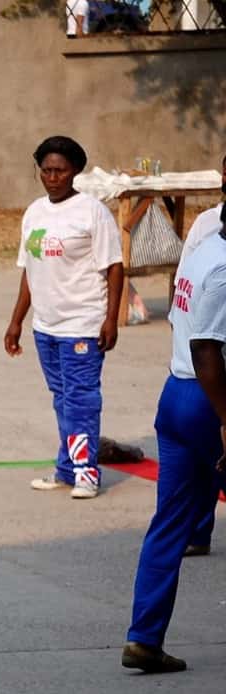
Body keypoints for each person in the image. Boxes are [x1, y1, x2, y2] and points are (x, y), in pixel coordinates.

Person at [123, 226, 226, 672]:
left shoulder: (204, 247)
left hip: (177, 394)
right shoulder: (223, 269)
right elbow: (206, 350)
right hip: (212, 397)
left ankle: (144, 638)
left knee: (168, 524)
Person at [4, 135, 124, 499]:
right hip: (46, 327)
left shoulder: (92, 212)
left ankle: (86, 473)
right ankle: (67, 467)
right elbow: (30, 270)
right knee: (62, 398)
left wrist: (111, 319)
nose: (52, 177)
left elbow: (114, 267)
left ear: (75, 172)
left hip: (82, 325)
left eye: (60, 170)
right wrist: (16, 321)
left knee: (81, 399)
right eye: (46, 170)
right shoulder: (35, 212)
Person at [173, 150, 225, 557]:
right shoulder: (209, 229)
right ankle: (196, 529)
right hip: (202, 372)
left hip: (187, 381)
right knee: (207, 457)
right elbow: (203, 341)